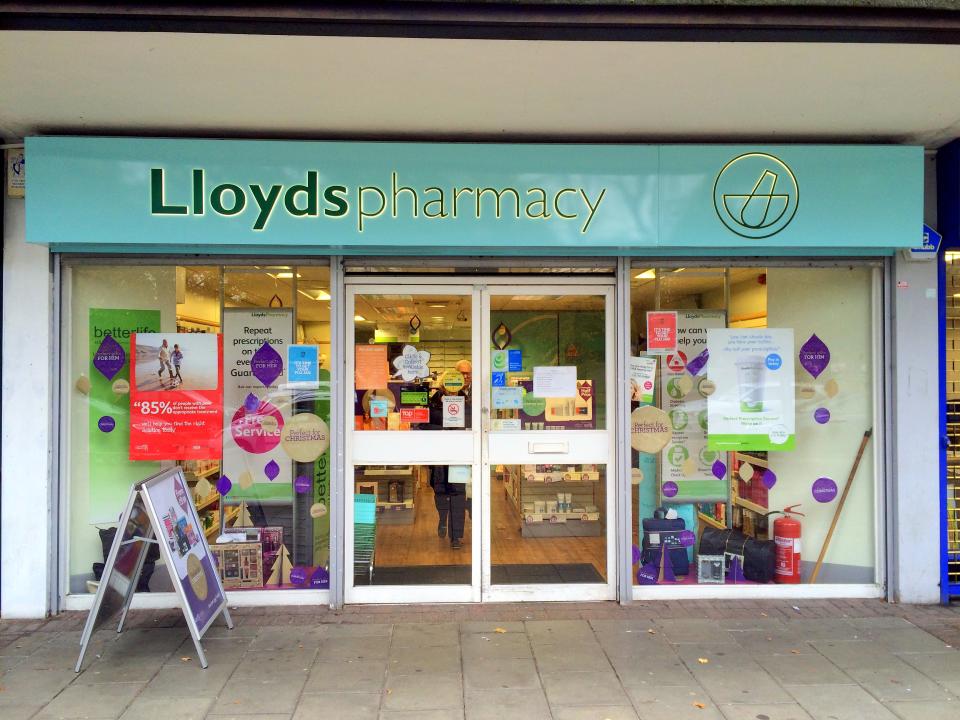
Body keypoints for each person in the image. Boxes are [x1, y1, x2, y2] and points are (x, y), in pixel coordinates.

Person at [430, 465, 467, 550]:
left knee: (457, 500)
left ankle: (455, 537)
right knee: (441, 495)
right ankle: (443, 520)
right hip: (441, 466)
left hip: (457, 466)